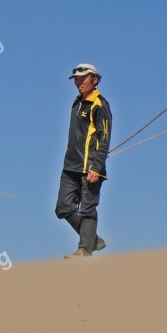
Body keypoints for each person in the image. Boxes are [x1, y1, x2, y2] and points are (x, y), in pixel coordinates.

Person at [55, 63, 112, 258]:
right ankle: (93, 240)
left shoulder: (100, 105)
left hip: (91, 167)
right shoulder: (77, 102)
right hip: (70, 166)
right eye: (76, 79)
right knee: (63, 207)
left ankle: (85, 249)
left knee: (87, 209)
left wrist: (96, 166)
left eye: (83, 78)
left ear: (94, 79)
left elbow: (104, 138)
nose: (79, 82)